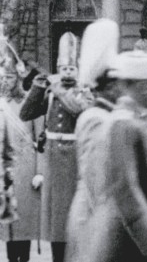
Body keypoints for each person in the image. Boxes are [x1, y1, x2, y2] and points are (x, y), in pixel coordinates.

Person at [81, 49, 147, 262]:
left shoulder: (136, 121)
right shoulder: (122, 124)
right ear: (140, 87)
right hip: (122, 242)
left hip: (134, 240)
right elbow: (125, 189)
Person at [19, 31, 92, 262]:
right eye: (63, 68)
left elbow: (79, 109)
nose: (67, 72)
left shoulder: (85, 92)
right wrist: (38, 87)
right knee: (55, 220)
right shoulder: (50, 93)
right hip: (53, 162)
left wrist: (58, 89)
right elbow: (26, 113)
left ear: (78, 69)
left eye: (71, 68)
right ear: (58, 68)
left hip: (75, 163)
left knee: (74, 218)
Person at [64, 19, 121, 262]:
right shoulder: (95, 118)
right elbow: (96, 180)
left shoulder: (109, 115)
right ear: (107, 87)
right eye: (119, 84)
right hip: (94, 217)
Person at [0, 31, 38, 262]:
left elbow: (36, 139)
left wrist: (38, 171)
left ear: (18, 78)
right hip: (4, 169)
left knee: (24, 223)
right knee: (6, 227)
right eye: (3, 77)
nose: (6, 81)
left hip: (24, 167)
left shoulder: (27, 103)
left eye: (10, 77)